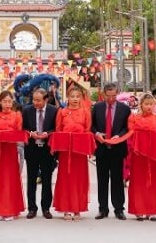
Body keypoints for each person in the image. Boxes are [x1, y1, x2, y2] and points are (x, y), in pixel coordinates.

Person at [126, 92, 156, 221]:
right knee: (139, 181)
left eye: (151, 104)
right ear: (141, 105)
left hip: (154, 154)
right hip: (138, 154)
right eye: (146, 104)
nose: (149, 106)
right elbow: (131, 133)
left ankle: (152, 210)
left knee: (154, 182)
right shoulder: (134, 117)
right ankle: (139, 210)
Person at [91, 82, 131, 220]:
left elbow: (128, 127)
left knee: (117, 180)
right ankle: (103, 209)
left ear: (117, 93)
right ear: (103, 94)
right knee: (102, 180)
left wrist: (119, 136)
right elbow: (92, 126)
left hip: (117, 149)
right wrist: (96, 133)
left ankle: (119, 209)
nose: (111, 99)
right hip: (101, 148)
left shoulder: (125, 109)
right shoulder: (97, 107)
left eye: (114, 96)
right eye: (108, 96)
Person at [53, 85, 92, 220]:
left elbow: (87, 131)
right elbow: (58, 130)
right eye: (72, 96)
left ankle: (78, 209)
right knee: (65, 179)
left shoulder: (85, 112)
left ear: (81, 98)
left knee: (79, 179)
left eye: (77, 96)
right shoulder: (62, 112)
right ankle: (65, 209)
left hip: (79, 153)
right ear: (68, 97)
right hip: (66, 152)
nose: (75, 99)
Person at [0, 90, 25, 221]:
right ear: (0, 102)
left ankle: (10, 210)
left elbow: (18, 132)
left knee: (9, 181)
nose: (7, 104)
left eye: (9, 101)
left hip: (10, 152)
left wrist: (7, 134)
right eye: (5, 101)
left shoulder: (17, 115)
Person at [22, 87, 58, 219]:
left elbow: (57, 128)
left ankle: (46, 208)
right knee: (31, 179)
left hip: (47, 150)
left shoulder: (54, 111)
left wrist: (47, 134)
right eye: (34, 100)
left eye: (38, 100)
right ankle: (32, 208)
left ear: (46, 99)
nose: (35, 103)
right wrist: (31, 133)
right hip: (31, 149)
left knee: (47, 179)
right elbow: (22, 127)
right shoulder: (26, 110)